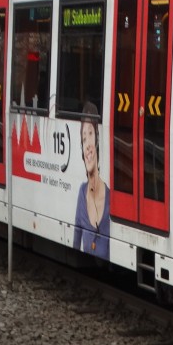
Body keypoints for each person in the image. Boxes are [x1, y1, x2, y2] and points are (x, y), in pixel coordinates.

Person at [72, 102, 110, 260]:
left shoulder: (110, 198)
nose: (87, 145)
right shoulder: (81, 193)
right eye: (83, 138)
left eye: (91, 134)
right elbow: (75, 245)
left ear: (97, 140)